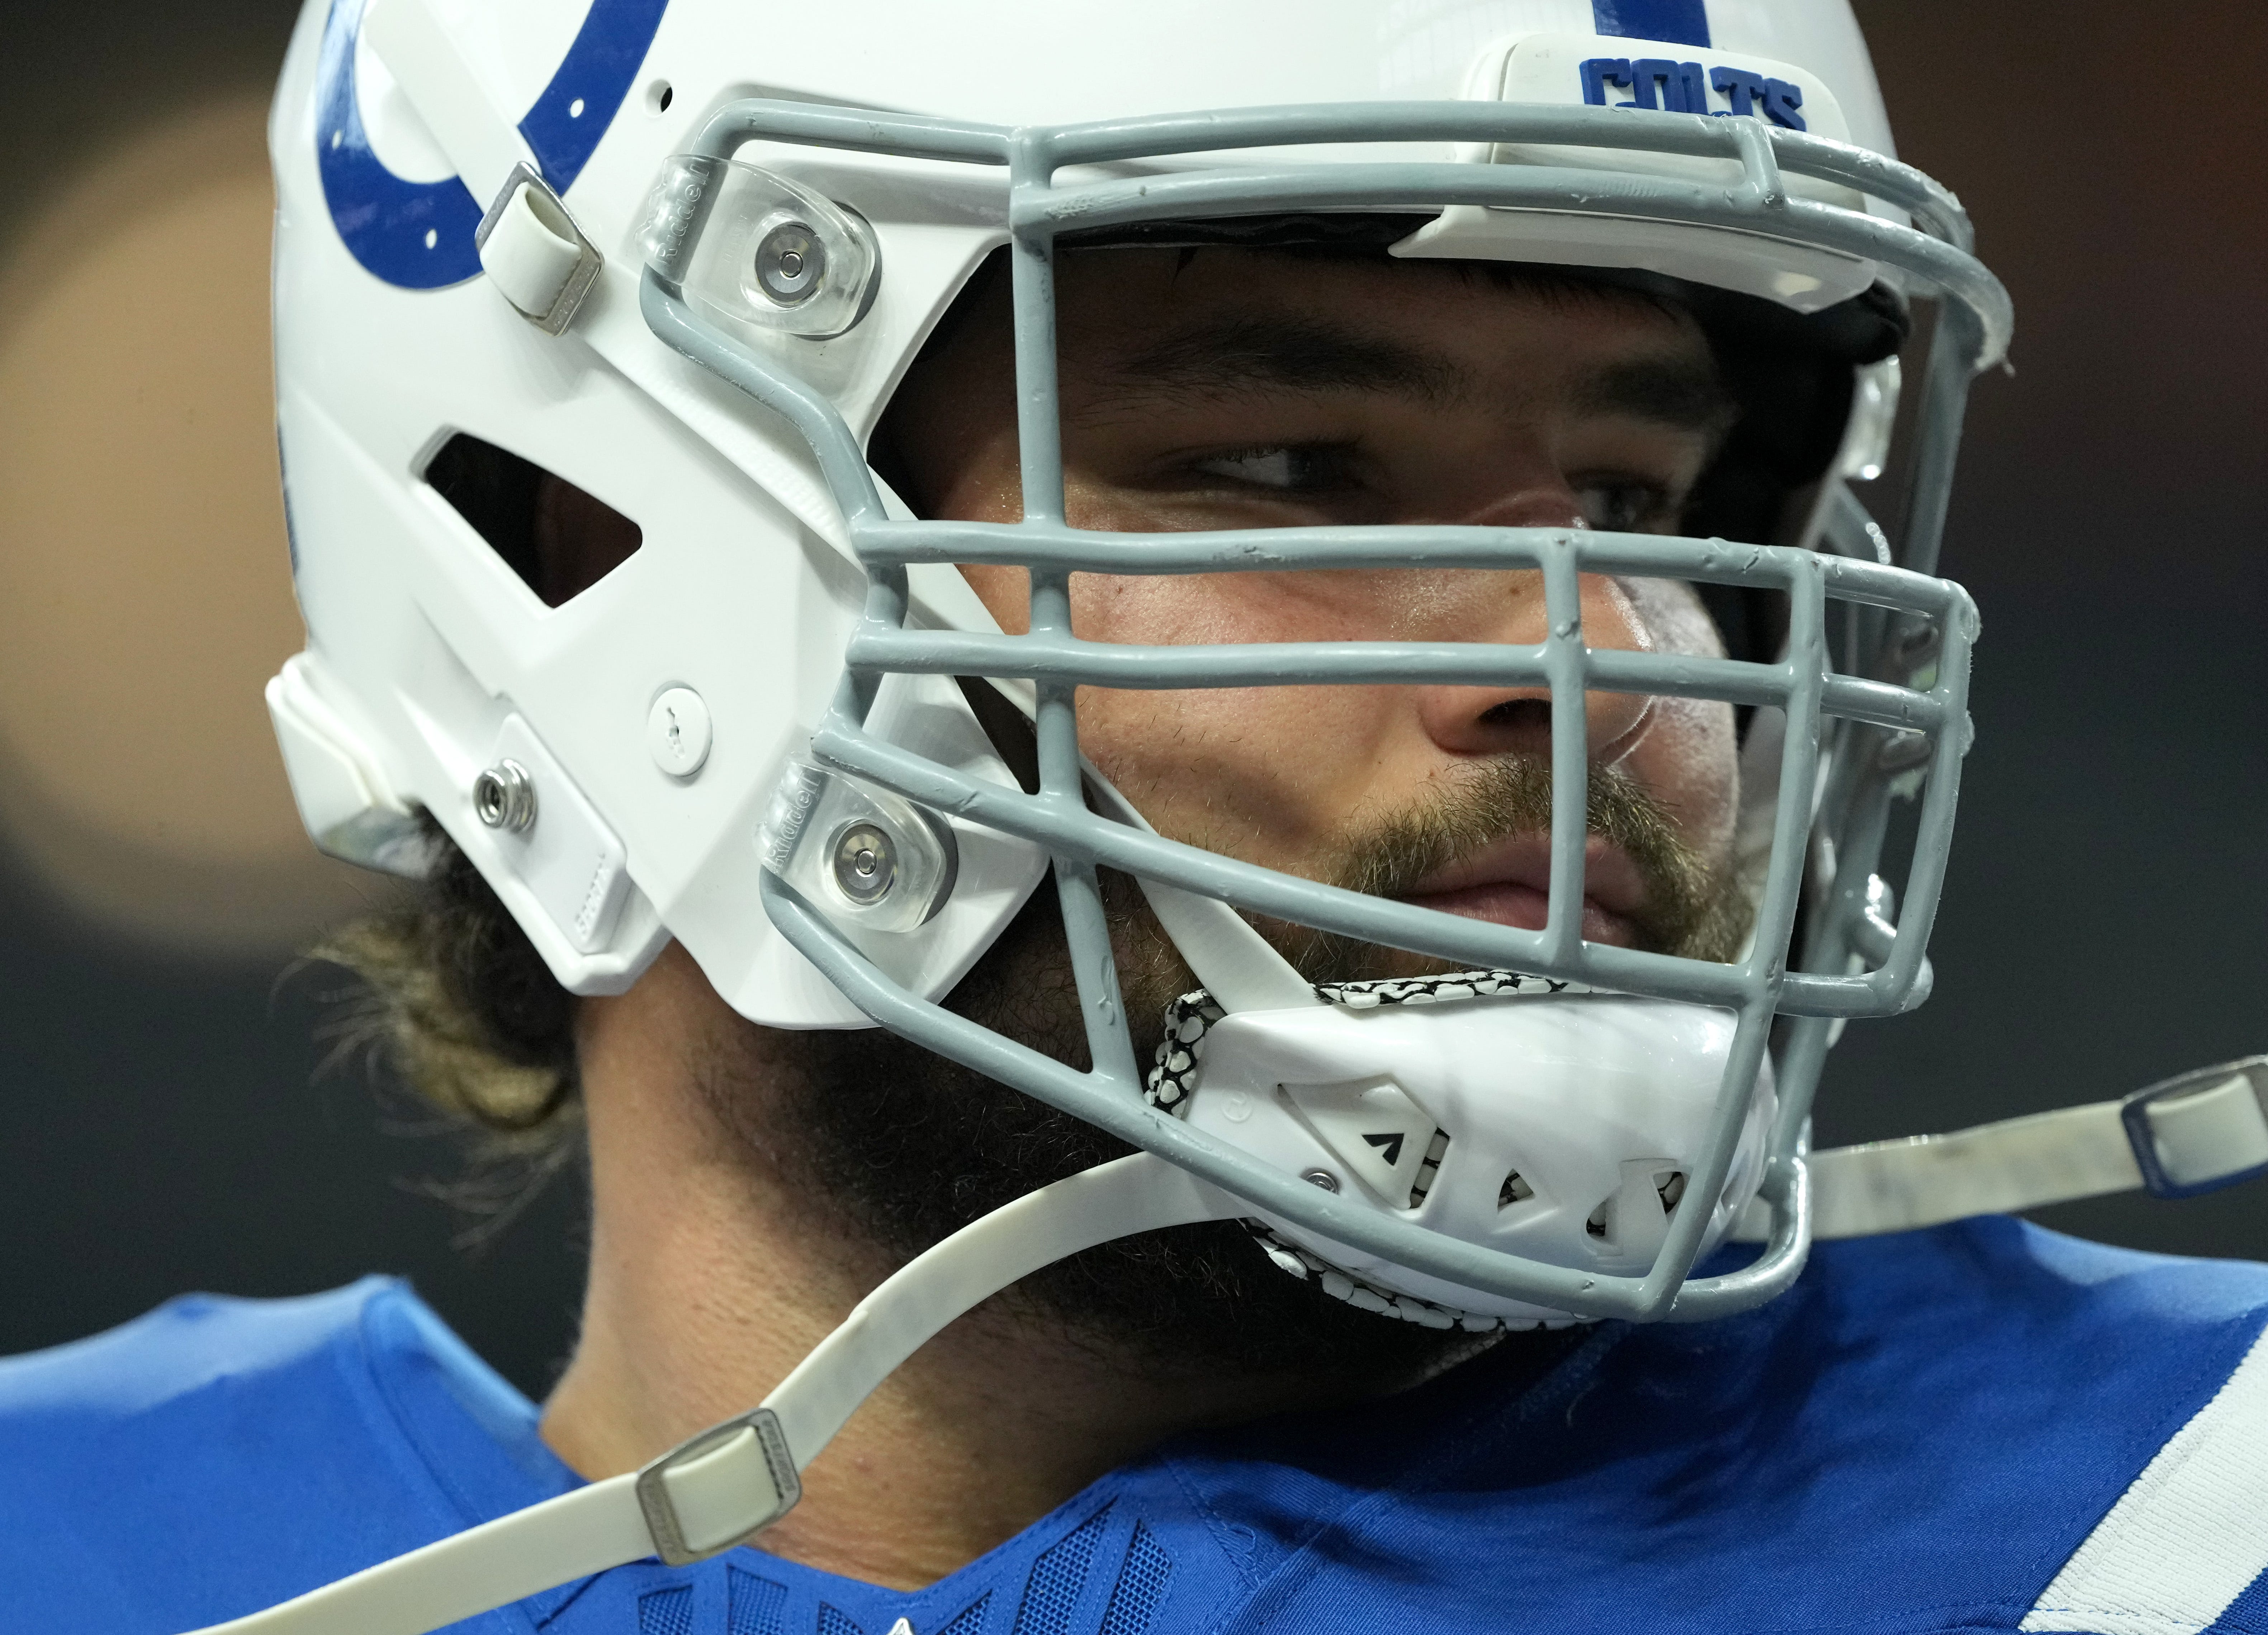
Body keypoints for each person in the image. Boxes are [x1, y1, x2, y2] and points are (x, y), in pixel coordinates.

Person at [6, 0, 2267, 1630]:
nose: (1614, 672)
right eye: (1290, 466)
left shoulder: (2179, 1524)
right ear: (563, 547)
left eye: (1640, 498)